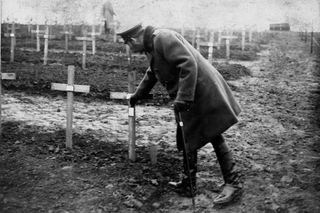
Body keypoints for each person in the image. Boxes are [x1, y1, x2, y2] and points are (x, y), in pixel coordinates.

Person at [117, 23, 243, 205]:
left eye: (127, 44)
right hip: (189, 93)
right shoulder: (150, 45)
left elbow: (188, 64)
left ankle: (233, 184)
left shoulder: (163, 38)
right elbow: (153, 71)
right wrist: (139, 94)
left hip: (200, 90)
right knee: (187, 136)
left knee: (214, 135)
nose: (128, 48)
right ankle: (188, 184)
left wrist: (183, 98)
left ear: (134, 39)